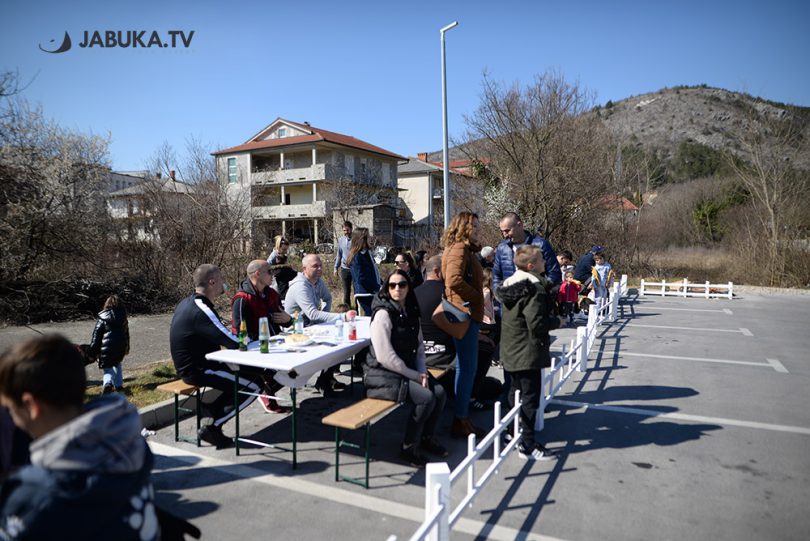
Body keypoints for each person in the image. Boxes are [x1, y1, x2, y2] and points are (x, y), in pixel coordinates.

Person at [0, 334, 160, 540]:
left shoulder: (33, 495)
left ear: (31, 406)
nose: (11, 417)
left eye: (11, 409)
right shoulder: (130, 447)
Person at [169, 264, 267, 449]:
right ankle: (212, 427)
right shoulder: (201, 308)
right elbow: (232, 341)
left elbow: (219, 334)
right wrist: (252, 339)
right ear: (212, 282)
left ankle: (210, 410)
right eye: (221, 279)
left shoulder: (189, 302)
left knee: (251, 374)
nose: (224, 283)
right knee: (254, 386)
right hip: (198, 369)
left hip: (202, 363)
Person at [364, 270, 448, 467]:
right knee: (426, 398)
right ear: (386, 288)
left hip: (406, 370)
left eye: (402, 284)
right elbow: (385, 357)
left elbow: (420, 348)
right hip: (381, 374)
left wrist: (422, 372)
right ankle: (408, 447)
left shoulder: (411, 311)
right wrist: (415, 375)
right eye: (392, 285)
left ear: (409, 287)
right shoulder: (383, 314)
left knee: (440, 393)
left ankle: (426, 438)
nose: (397, 289)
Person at [496, 245, 560, 461]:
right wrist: (557, 321)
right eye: (542, 259)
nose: (545, 262)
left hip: (511, 348)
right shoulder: (534, 288)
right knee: (530, 399)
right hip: (527, 351)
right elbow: (537, 323)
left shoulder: (510, 284)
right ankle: (528, 444)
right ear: (531, 266)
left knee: (514, 393)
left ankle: (511, 433)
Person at [441, 211, 487, 439]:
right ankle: (460, 419)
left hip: (465, 313)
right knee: (467, 368)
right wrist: (477, 297)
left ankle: (462, 416)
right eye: (474, 226)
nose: (478, 230)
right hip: (464, 314)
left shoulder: (462, 249)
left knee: (465, 367)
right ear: (464, 227)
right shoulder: (459, 248)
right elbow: (453, 280)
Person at [285, 254, 356, 393]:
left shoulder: (318, 281)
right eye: (315, 266)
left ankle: (326, 378)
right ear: (304, 269)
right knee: (332, 344)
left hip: (311, 327)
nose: (319, 269)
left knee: (341, 342)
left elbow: (327, 298)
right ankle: (324, 380)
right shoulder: (300, 286)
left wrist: (322, 317)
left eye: (320, 265)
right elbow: (312, 313)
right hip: (295, 331)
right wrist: (342, 317)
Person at [231, 260, 292, 414]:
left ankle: (266, 390)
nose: (273, 275)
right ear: (258, 274)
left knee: (295, 370)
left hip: (277, 343)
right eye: (269, 272)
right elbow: (239, 331)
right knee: (284, 372)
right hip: (256, 348)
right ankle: (264, 391)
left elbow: (283, 321)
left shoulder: (272, 294)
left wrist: (289, 319)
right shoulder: (242, 298)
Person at [493, 212, 562, 291]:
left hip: (537, 296)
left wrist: (544, 293)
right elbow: (496, 277)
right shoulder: (502, 248)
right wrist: (500, 294)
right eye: (502, 231)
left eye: (507, 230)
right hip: (510, 297)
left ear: (520, 225)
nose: (505, 234)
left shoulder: (541, 245)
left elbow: (554, 274)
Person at [89, 294, 130, 394]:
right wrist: (127, 347)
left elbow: (96, 335)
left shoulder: (102, 317)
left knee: (108, 368)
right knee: (117, 364)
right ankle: (119, 385)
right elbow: (126, 334)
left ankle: (108, 383)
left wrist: (93, 350)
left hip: (106, 348)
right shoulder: (123, 317)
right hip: (120, 347)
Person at [347, 228, 381, 316]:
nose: (371, 238)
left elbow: (374, 272)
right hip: (364, 294)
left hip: (372, 292)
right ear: (362, 239)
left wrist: (382, 284)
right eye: (368, 236)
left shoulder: (367, 253)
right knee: (368, 318)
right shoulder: (357, 256)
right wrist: (376, 287)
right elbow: (361, 278)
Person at [267, 235, 296, 300]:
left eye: (286, 249)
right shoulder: (274, 254)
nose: (285, 251)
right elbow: (268, 264)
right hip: (277, 275)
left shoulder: (283, 254)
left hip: (283, 275)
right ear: (278, 247)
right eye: (284, 249)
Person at [333, 221, 354, 306]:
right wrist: (335, 268)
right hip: (344, 268)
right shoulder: (341, 240)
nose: (346, 232)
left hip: (355, 268)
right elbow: (339, 254)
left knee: (357, 290)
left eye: (347, 230)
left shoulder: (356, 240)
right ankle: (347, 309)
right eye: (344, 230)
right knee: (346, 291)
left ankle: (357, 310)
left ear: (351, 229)